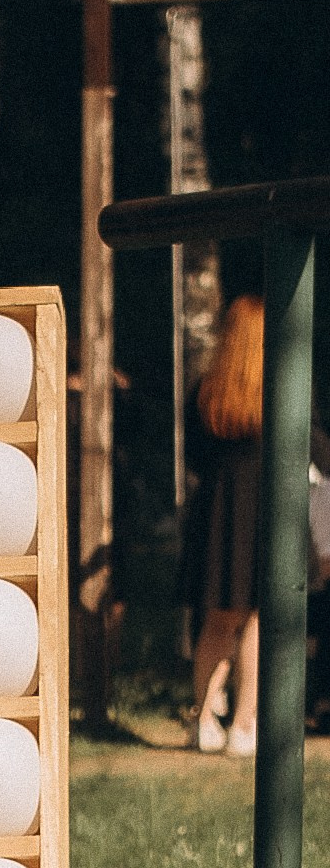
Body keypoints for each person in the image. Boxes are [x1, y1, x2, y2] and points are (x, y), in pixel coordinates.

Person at [182, 290, 265, 754]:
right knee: (254, 619)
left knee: (216, 620)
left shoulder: (206, 390)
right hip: (261, 508)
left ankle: (205, 721)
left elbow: (195, 457)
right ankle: (244, 725)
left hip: (216, 510)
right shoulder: (277, 388)